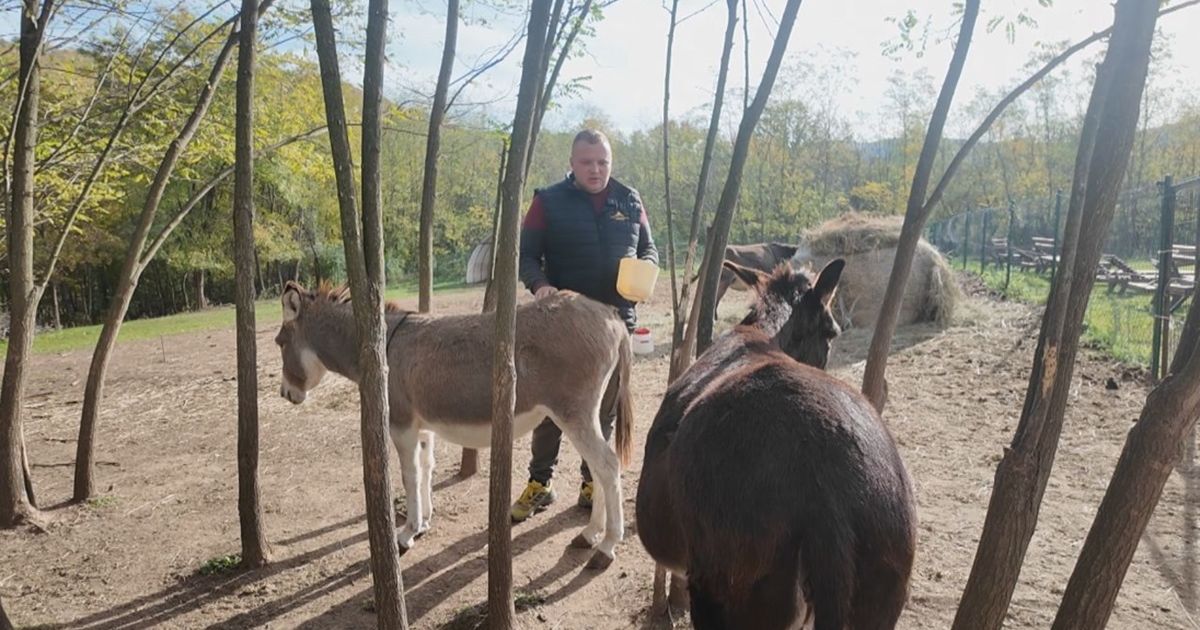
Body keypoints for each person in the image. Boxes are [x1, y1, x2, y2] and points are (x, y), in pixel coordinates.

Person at [511, 128, 658, 523]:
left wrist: (649, 269)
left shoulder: (629, 198)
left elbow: (648, 248)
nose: (596, 170)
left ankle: (591, 479)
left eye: (603, 162)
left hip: (615, 325)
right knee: (550, 408)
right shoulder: (548, 201)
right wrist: (541, 287)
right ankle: (540, 482)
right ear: (573, 163)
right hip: (561, 327)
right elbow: (527, 257)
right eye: (587, 162)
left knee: (603, 406)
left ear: (611, 162)